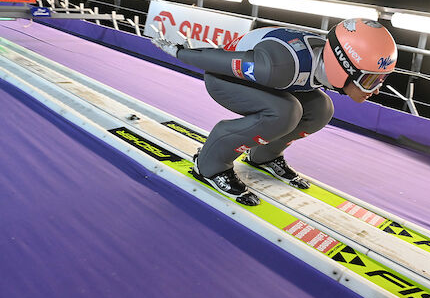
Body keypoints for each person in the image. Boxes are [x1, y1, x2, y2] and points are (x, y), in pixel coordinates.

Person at [152, 18, 398, 206]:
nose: (375, 90)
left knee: (322, 109)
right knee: (285, 112)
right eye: (370, 80)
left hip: (266, 79)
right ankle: (209, 164)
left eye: (381, 79)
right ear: (343, 66)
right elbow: (222, 61)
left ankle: (264, 155)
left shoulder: (324, 62)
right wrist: (179, 52)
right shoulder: (280, 66)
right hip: (224, 78)